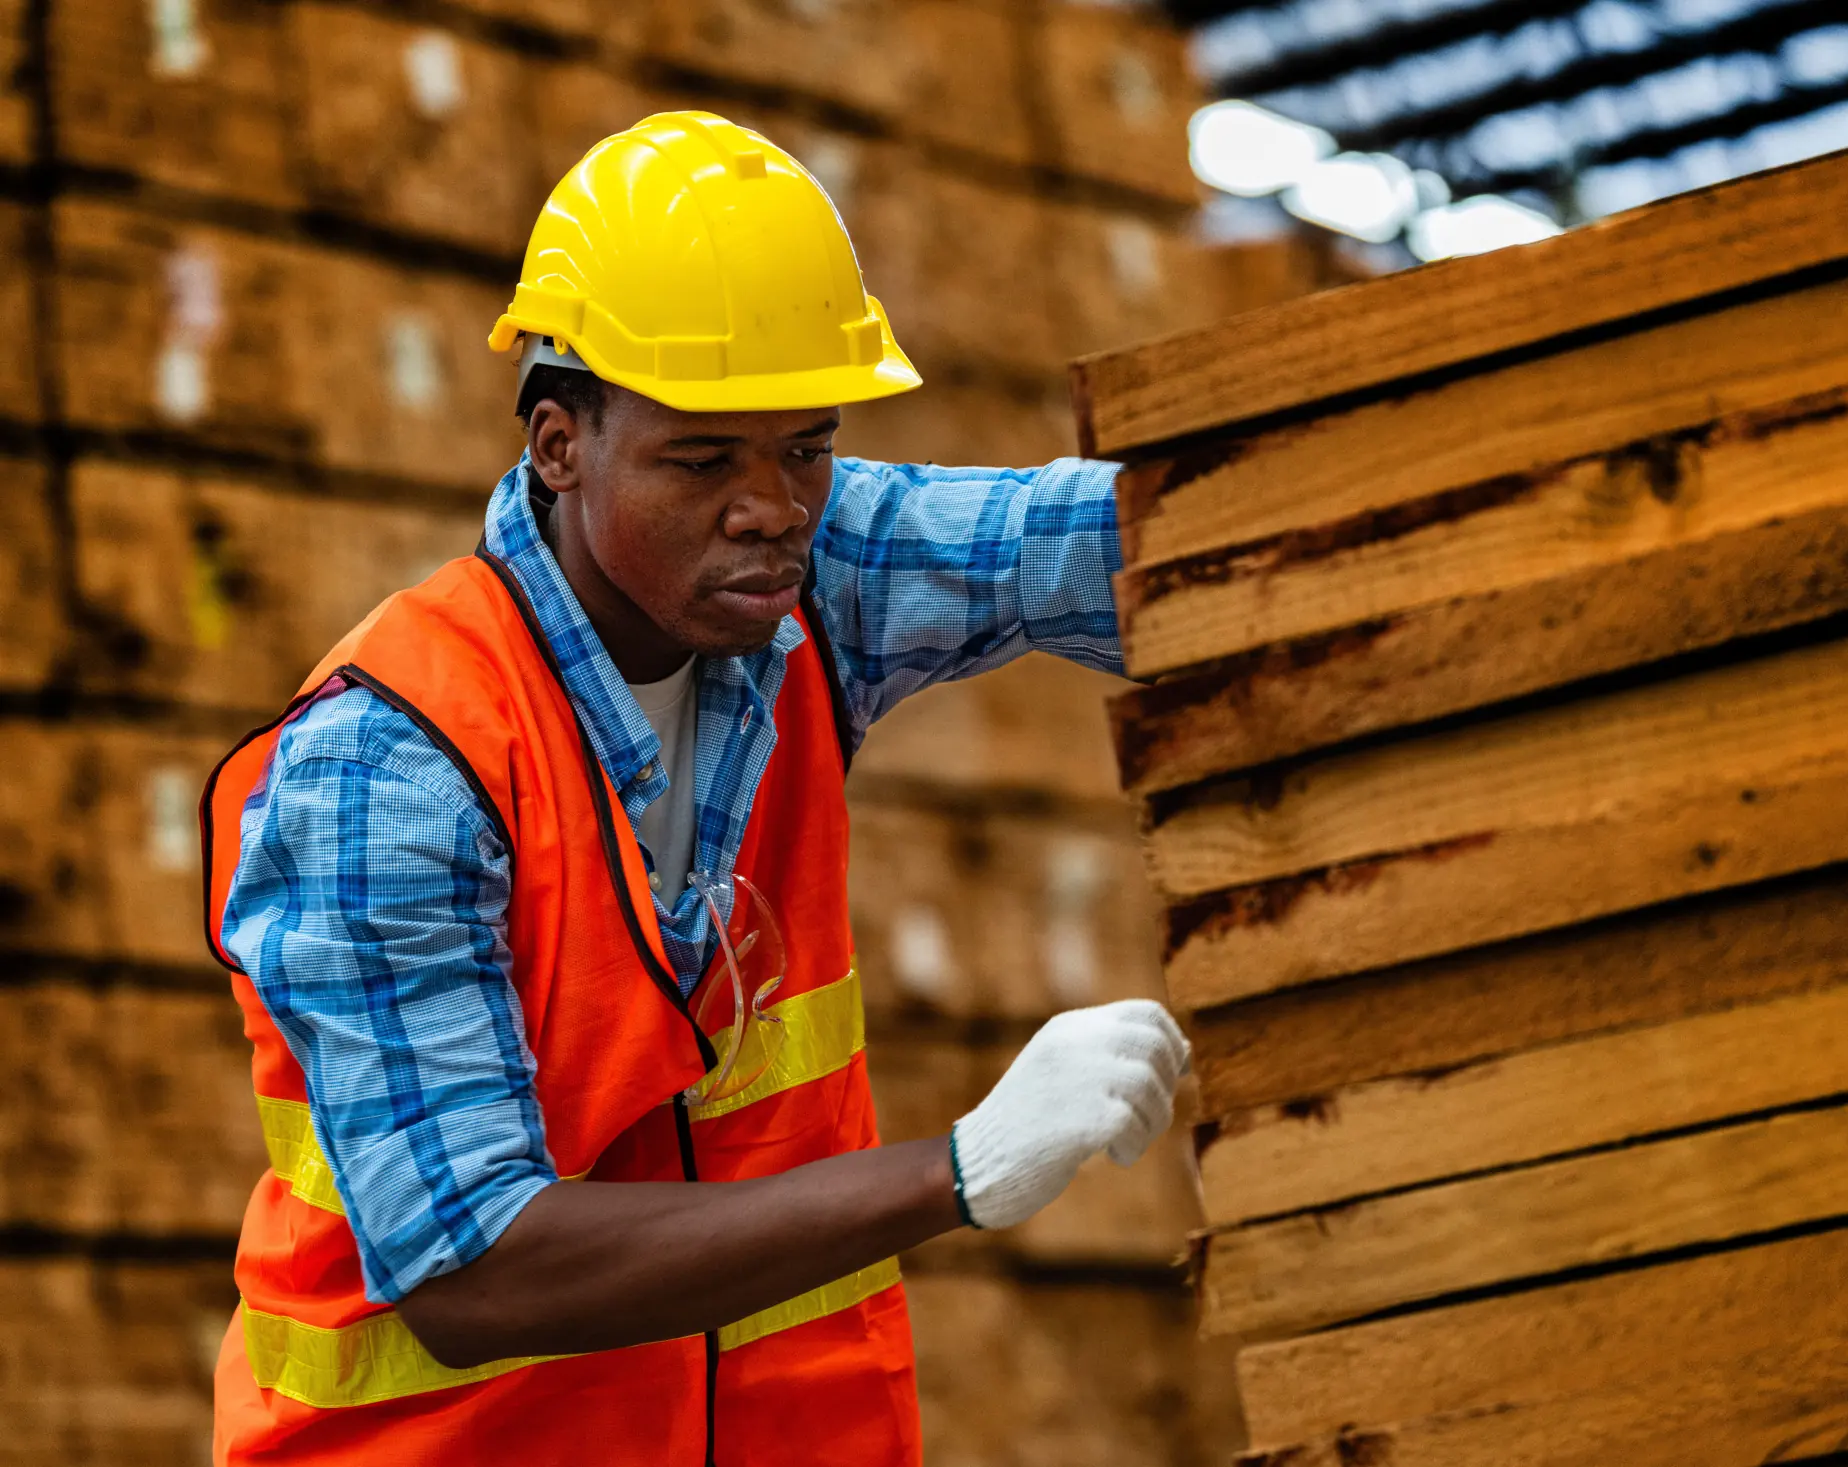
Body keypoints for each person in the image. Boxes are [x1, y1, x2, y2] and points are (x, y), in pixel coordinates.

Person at [202, 112, 1189, 1465]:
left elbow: (1121, 543)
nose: (772, 505)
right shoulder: (395, 765)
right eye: (704, 457)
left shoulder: (807, 574)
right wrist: (958, 1170)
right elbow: (474, 1269)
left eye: (804, 446)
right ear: (559, 443)